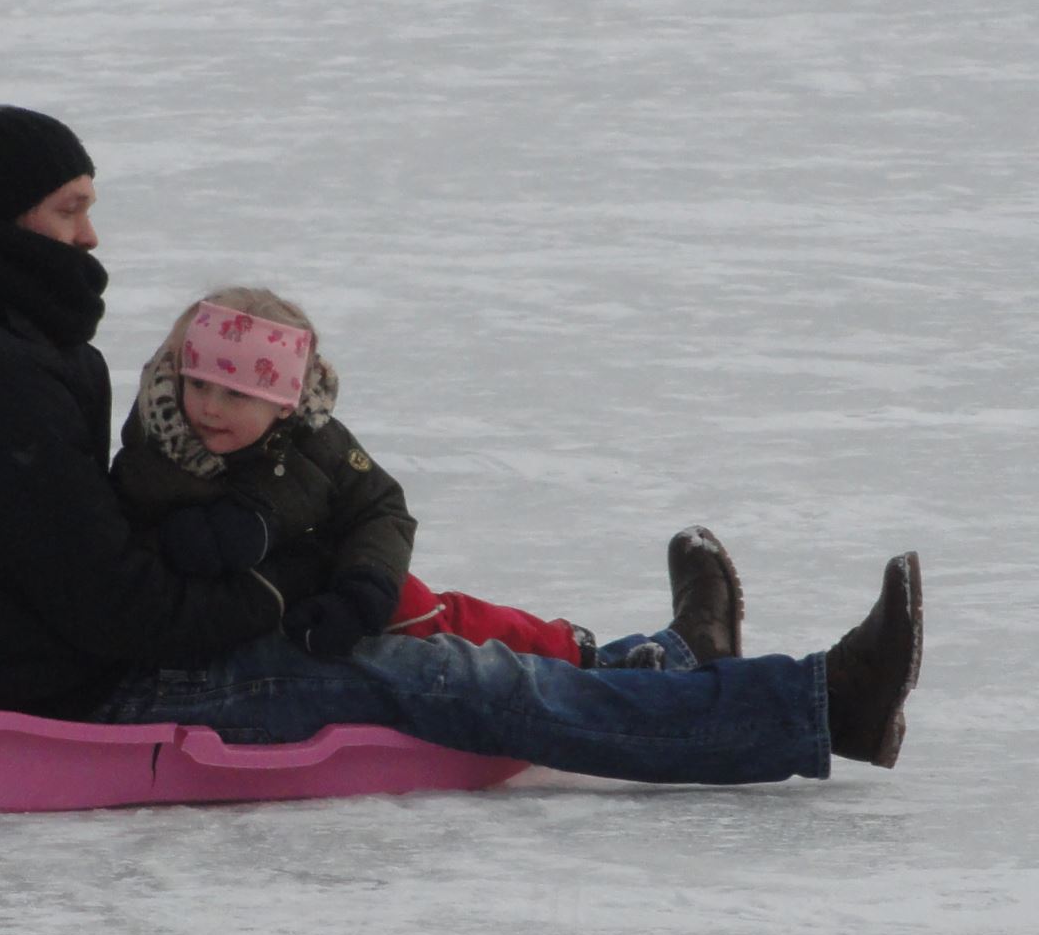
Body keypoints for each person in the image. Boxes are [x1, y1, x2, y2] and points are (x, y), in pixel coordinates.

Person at [0, 104, 922, 784]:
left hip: (55, 665)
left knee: (433, 632)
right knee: (443, 676)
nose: (91, 236)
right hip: (85, 693)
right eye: (66, 208)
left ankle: (677, 665)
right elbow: (108, 602)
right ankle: (816, 705)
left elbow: (89, 562)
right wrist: (275, 596)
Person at [112, 283, 688, 669]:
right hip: (256, 616)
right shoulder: (155, 448)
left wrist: (362, 588)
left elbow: (381, 507)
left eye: (236, 393)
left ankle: (577, 655)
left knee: (431, 613)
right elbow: (126, 522)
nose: (210, 407)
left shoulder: (319, 445)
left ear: (283, 404)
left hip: (337, 589)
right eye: (199, 384)